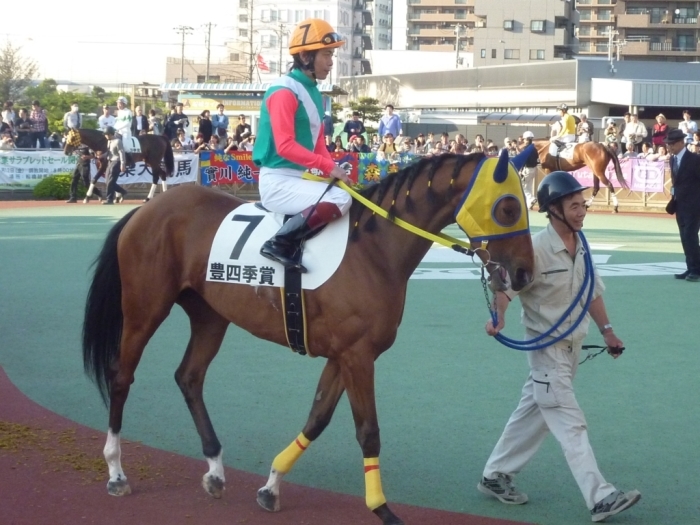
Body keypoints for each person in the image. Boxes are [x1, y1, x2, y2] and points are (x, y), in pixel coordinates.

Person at [479, 170, 641, 523]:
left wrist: (609, 331)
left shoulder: (582, 244)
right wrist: (499, 317)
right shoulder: (535, 249)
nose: (582, 211)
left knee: (534, 411)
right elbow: (506, 290)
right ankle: (601, 496)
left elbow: (591, 292)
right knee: (570, 422)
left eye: (583, 204)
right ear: (553, 209)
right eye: (574, 205)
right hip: (546, 351)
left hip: (573, 349)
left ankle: (495, 475)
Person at [252, 18, 351, 273]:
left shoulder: (313, 92)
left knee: (349, 193)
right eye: (326, 54)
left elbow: (318, 144)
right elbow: (285, 146)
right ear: (306, 56)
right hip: (277, 182)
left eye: (332, 54)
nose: (331, 61)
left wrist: (333, 168)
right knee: (341, 198)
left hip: (297, 179)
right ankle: (280, 242)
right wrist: (327, 168)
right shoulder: (283, 91)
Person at [664, 128, 700, 281]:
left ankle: (696, 270)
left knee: (690, 237)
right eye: (668, 144)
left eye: (671, 144)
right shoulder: (672, 159)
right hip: (679, 204)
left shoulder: (695, 159)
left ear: (680, 143)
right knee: (685, 238)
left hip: (694, 204)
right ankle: (690, 267)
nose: (669, 147)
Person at [102, 126, 128, 205]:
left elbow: (121, 152)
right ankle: (123, 191)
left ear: (110, 134)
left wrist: (122, 164)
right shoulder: (109, 141)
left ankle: (109, 199)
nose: (105, 136)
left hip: (116, 162)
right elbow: (109, 152)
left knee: (111, 181)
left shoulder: (118, 141)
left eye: (106, 134)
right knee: (107, 181)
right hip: (110, 162)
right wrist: (102, 155)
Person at [520, 131, 539, 210]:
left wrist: (520, 170)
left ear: (527, 139)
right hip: (533, 169)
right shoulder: (534, 148)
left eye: (524, 139)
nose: (523, 141)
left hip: (527, 169)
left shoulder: (526, 149)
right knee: (529, 186)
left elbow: (523, 160)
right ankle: (529, 204)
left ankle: (531, 199)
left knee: (523, 186)